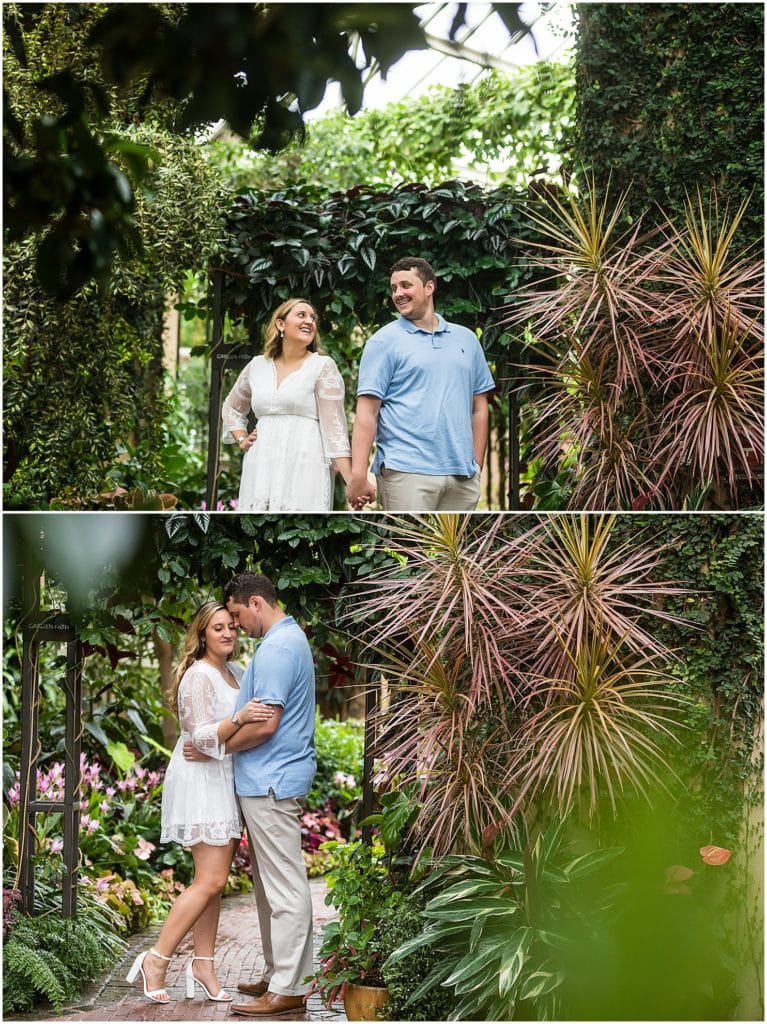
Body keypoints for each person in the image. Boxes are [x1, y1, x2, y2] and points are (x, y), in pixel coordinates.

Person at [126, 602, 275, 1004]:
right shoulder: (198, 675)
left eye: (231, 626)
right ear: (202, 635)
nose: (228, 633)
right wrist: (240, 718)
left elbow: (229, 738)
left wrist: (239, 725)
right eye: (218, 628)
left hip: (223, 776)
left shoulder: (237, 673)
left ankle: (204, 963)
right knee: (209, 880)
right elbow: (198, 737)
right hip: (200, 780)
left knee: (215, 884)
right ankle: (156, 959)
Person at [183, 572, 317, 1017]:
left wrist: (216, 749)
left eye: (237, 616)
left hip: (272, 782)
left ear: (256, 603)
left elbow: (266, 724)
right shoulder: (284, 640)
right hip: (265, 782)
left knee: (284, 887)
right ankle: (279, 972)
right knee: (269, 888)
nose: (237, 627)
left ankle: (289, 987)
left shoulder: (278, 647)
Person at [346, 257, 495, 511]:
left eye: (406, 285)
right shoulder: (383, 342)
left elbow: (479, 407)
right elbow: (366, 412)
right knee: (410, 549)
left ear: (429, 288)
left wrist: (476, 467)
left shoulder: (467, 339)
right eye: (394, 288)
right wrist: (358, 475)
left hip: (462, 477)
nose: (398, 294)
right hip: (405, 472)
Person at [221, 297, 361, 511]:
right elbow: (231, 407)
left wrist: (351, 480)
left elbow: (335, 429)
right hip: (261, 463)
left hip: (305, 461)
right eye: (301, 315)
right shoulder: (257, 366)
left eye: (313, 318)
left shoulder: (322, 366)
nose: (309, 321)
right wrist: (241, 438)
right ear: (280, 324)